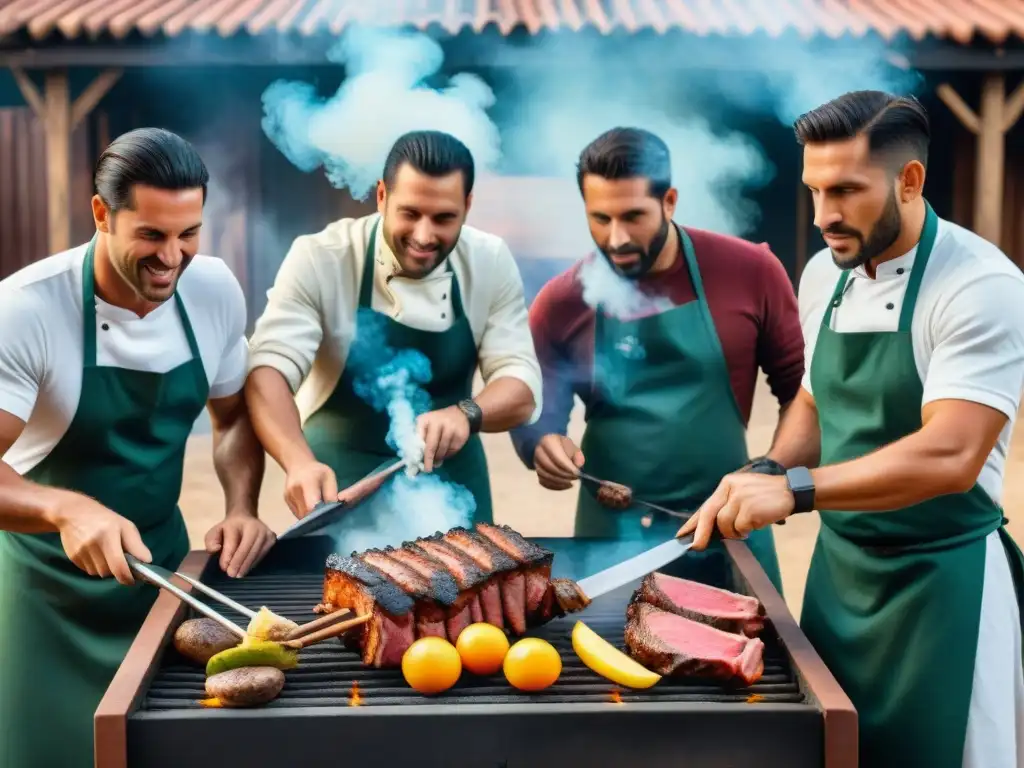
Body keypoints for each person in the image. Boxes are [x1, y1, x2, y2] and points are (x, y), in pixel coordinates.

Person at [678, 91, 1024, 768]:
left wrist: (799, 491)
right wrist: (770, 467)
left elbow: (951, 454)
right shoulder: (822, 274)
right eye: (813, 190)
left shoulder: (981, 285)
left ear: (910, 180)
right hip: (842, 582)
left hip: (943, 589)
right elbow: (814, 401)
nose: (824, 215)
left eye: (845, 191)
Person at [0, 127, 273, 767]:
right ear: (101, 213)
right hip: (46, 597)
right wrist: (67, 511)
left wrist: (241, 505)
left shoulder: (212, 291)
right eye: (151, 235)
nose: (172, 258)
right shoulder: (25, 310)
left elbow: (232, 419)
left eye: (189, 234)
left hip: (164, 582)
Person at [509, 127, 804, 591]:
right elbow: (536, 413)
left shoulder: (750, 272)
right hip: (610, 539)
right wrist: (540, 446)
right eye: (600, 218)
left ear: (669, 201)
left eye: (633, 216)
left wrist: (773, 471)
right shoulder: (563, 300)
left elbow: (804, 395)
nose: (617, 238)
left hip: (730, 529)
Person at [245, 129, 542, 524]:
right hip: (340, 482)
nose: (424, 235)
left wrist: (466, 413)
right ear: (382, 196)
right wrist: (297, 462)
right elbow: (268, 372)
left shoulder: (488, 260)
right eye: (410, 213)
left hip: (454, 484)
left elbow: (520, 383)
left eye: (443, 218)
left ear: (467, 206)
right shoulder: (322, 257)